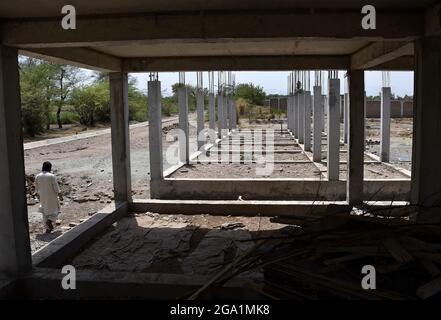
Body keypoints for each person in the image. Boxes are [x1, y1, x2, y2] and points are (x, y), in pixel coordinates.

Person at [35, 162, 63, 233]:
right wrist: (60, 196)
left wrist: (39, 197)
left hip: (43, 197)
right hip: (52, 197)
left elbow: (36, 189)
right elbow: (56, 188)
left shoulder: (37, 176)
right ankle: (50, 221)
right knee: (55, 211)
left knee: (45, 212)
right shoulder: (51, 176)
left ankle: (47, 229)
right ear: (50, 168)